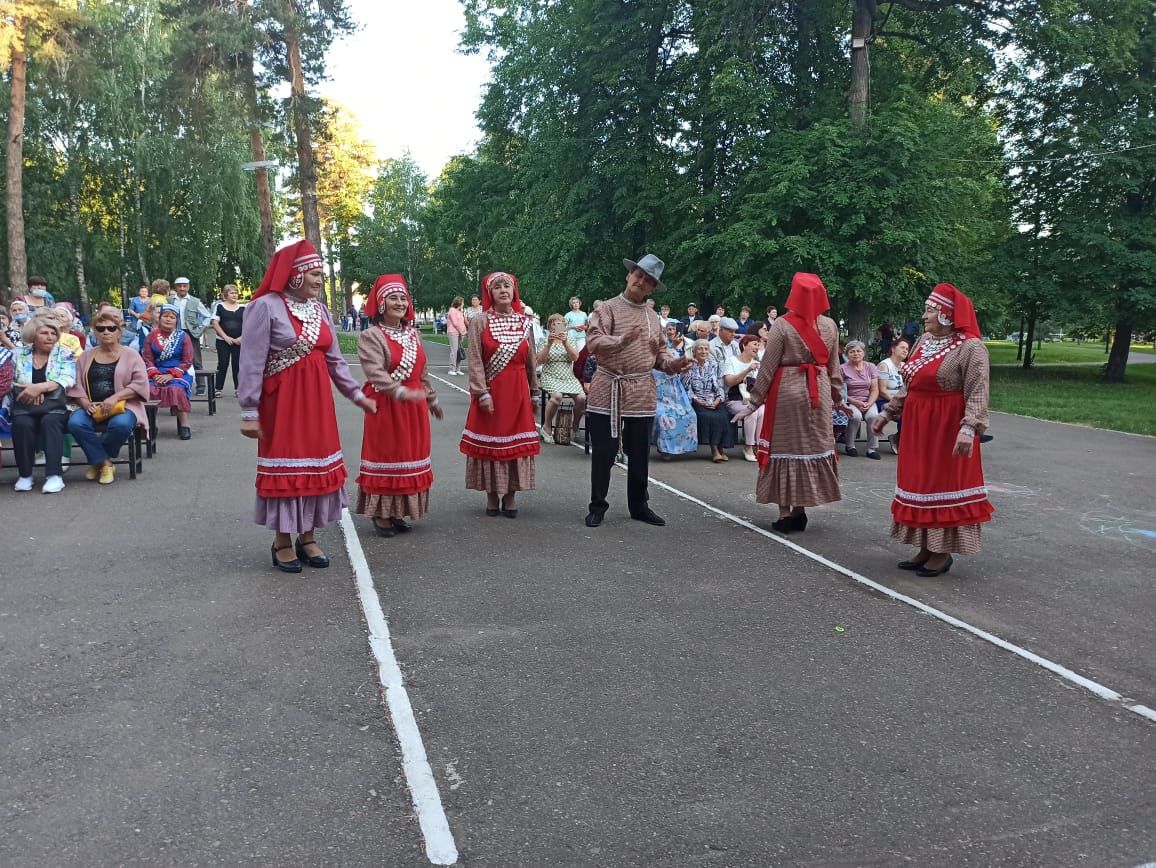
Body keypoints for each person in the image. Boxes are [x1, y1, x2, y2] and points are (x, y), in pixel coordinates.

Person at [238, 239, 377, 572]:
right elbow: (251, 362)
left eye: (320, 275)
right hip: (282, 402)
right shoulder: (265, 306)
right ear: (295, 274)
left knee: (315, 467)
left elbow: (335, 361)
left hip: (317, 402)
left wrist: (357, 395)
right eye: (314, 274)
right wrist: (248, 410)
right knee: (288, 468)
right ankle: (282, 540)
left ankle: (308, 536)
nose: (319, 280)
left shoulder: (320, 310)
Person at [871, 283, 994, 577]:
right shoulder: (925, 341)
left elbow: (978, 391)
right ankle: (925, 547)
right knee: (920, 482)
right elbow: (909, 383)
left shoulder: (971, 347)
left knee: (942, 483)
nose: (924, 316)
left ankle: (942, 552)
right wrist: (888, 413)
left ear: (947, 315)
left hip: (946, 427)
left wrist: (969, 428)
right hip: (917, 424)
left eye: (930, 311)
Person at [584, 253, 692, 527]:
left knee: (640, 452)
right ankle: (598, 505)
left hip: (641, 388)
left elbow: (661, 355)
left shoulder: (653, 317)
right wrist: (621, 340)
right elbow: (593, 342)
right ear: (629, 275)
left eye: (648, 281)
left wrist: (676, 363)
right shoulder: (606, 309)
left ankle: (639, 506)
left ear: (652, 288)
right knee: (605, 451)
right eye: (639, 276)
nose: (641, 282)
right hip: (608, 386)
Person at [734, 273, 842, 533]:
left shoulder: (782, 325)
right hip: (820, 391)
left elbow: (768, 367)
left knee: (785, 450)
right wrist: (837, 396)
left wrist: (753, 402)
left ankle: (785, 514)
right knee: (808, 449)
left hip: (789, 392)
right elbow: (834, 367)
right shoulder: (830, 325)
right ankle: (801, 510)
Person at [355, 274, 442, 537]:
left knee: (409, 456)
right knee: (388, 455)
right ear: (381, 304)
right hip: (386, 403)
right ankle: (382, 513)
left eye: (403, 298)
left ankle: (397, 511)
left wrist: (431, 398)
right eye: (393, 298)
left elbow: (422, 370)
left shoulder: (413, 333)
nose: (400, 303)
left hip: (413, 405)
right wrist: (400, 391)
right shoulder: (371, 335)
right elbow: (375, 373)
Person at [459, 272, 540, 517]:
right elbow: (474, 360)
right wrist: (481, 393)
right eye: (497, 287)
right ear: (490, 293)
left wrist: (534, 391)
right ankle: (492, 495)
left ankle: (511, 494)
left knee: (515, 444)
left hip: (518, 394)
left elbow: (531, 360)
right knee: (491, 444)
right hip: (491, 392)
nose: (503, 290)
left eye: (508, 286)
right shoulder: (480, 322)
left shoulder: (525, 322)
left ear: (515, 291)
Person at [66, 308, 149, 484]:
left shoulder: (131, 355)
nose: (106, 332)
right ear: (95, 332)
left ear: (119, 332)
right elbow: (76, 385)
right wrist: (85, 402)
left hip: (123, 406)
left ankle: (98, 461)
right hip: (91, 405)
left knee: (121, 425)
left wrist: (114, 398)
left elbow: (140, 383)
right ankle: (104, 463)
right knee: (75, 423)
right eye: (101, 328)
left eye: (111, 328)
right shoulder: (86, 356)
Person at [10, 315, 76, 492]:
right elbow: (10, 380)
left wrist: (40, 388)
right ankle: (25, 475)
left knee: (50, 422)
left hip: (56, 406)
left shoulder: (64, 353)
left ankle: (54, 476)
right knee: (21, 423)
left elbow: (68, 379)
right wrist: (30, 389)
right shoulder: (18, 354)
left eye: (53, 333)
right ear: (33, 335)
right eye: (44, 333)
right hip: (25, 405)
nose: (50, 337)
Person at [142, 304, 195, 440]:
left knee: (176, 389)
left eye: (172, 317)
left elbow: (187, 360)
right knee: (148, 389)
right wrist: (155, 374)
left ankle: (185, 425)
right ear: (159, 319)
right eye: (165, 316)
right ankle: (150, 425)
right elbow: (147, 359)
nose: (168, 319)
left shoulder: (184, 337)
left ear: (177, 320)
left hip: (179, 372)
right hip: (156, 372)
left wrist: (171, 375)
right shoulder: (151, 336)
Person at [682, 338, 735, 462]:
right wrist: (699, 401)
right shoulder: (689, 366)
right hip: (698, 401)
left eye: (706, 349)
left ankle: (721, 448)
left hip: (714, 399)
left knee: (724, 416)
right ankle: (714, 450)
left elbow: (720, 384)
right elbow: (686, 388)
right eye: (700, 349)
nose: (703, 351)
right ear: (694, 352)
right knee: (708, 417)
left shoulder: (714, 364)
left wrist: (718, 399)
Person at [536, 313, 585, 444]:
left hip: (567, 376)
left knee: (582, 398)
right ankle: (546, 427)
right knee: (557, 396)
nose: (557, 326)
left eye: (560, 324)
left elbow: (575, 357)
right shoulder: (544, 340)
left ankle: (575, 424)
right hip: (550, 374)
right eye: (554, 324)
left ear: (564, 326)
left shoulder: (571, 339)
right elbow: (539, 361)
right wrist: (549, 344)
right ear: (550, 326)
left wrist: (565, 342)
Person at [723, 333, 764, 462]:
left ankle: (758, 445)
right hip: (734, 399)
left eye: (758, 345)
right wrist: (747, 370)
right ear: (744, 345)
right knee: (751, 412)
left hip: (753, 399)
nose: (757, 347)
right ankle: (748, 446)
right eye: (754, 344)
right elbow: (729, 382)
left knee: (762, 411)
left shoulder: (757, 364)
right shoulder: (731, 361)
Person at [840, 339, 881, 458]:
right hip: (851, 400)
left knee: (873, 416)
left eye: (859, 351)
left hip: (869, 400)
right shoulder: (842, 368)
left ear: (863, 353)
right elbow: (841, 391)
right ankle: (850, 446)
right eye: (852, 351)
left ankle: (872, 449)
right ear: (847, 354)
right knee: (855, 416)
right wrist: (855, 402)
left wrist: (869, 402)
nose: (856, 353)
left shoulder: (871, 367)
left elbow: (875, 389)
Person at [173, 277, 211, 393]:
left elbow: (207, 316)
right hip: (174, 333)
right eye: (179, 286)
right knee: (175, 359)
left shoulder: (195, 301)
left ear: (188, 287)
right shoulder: (170, 300)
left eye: (184, 286)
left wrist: (201, 329)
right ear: (176, 288)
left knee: (196, 360)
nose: (182, 288)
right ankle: (178, 385)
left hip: (191, 333)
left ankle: (201, 386)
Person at [876, 337, 910, 452]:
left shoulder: (905, 365)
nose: (905, 350)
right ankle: (899, 440)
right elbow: (882, 390)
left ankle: (902, 439)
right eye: (902, 347)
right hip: (884, 400)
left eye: (907, 349)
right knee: (905, 413)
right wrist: (897, 403)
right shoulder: (885, 365)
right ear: (893, 349)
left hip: (900, 401)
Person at [210, 283, 245, 393]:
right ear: (226, 295)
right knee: (223, 363)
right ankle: (218, 389)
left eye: (236, 293)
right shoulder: (219, 306)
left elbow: (249, 324)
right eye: (232, 293)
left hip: (239, 341)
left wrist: (242, 338)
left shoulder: (244, 307)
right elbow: (215, 323)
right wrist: (225, 337)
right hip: (222, 341)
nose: (234, 295)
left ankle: (238, 389)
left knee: (238, 365)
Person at [446, 296, 468, 375]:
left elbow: (462, 323)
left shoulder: (460, 312)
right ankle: (451, 369)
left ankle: (457, 368)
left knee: (459, 350)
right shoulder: (452, 311)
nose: (463, 304)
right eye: (462, 302)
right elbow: (455, 323)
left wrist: (463, 332)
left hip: (460, 333)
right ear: (459, 303)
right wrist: (462, 331)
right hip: (453, 332)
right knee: (454, 350)